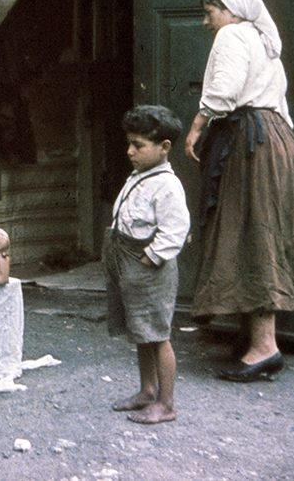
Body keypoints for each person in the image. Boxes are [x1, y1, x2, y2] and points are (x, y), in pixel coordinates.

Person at [184, 0, 294, 382]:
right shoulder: (263, 41)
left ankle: (264, 347)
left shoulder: (234, 34)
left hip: (251, 143)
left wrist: (196, 127)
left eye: (210, 13)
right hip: (275, 138)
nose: (207, 22)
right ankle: (256, 339)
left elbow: (224, 90)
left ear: (232, 10)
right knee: (261, 232)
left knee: (252, 234)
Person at [105, 105, 190, 425]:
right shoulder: (141, 174)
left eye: (138, 146)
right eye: (129, 143)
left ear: (164, 147)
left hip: (148, 266)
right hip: (126, 259)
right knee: (141, 331)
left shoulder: (167, 185)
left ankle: (166, 403)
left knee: (157, 333)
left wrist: (151, 256)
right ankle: (147, 390)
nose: (130, 151)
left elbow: (175, 229)